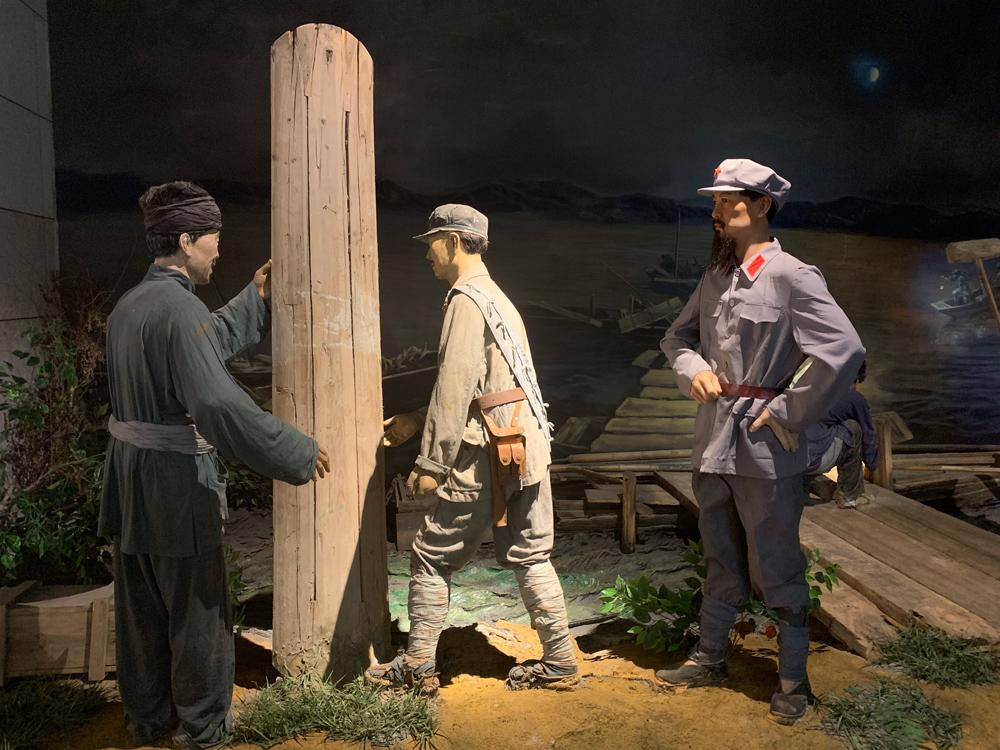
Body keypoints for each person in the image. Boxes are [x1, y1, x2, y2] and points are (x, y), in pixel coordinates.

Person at [99, 181, 330, 748]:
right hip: (175, 487)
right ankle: (203, 728)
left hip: (128, 481)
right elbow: (219, 403)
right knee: (197, 612)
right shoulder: (179, 309)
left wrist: (254, 296)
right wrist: (294, 450)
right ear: (186, 240)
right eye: (213, 240)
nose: (218, 251)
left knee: (141, 610)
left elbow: (197, 345)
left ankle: (148, 720)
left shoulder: (131, 306)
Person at [658, 159, 865, 724]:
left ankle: (793, 680)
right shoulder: (716, 276)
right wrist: (694, 369)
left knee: (776, 561)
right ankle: (709, 658)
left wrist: (789, 410)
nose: (717, 209)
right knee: (720, 555)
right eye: (715, 200)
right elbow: (676, 338)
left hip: (764, 446)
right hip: (712, 440)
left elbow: (844, 351)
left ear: (762, 205)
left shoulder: (793, 276)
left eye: (728, 199)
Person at [368, 204, 578, 692]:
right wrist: (416, 418)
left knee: (430, 556)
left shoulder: (465, 299)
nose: (428, 254)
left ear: (454, 241)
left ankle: (417, 665)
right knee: (532, 555)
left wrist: (432, 461)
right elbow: (490, 386)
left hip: (488, 450)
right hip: (526, 444)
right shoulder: (498, 298)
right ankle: (562, 662)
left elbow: (456, 384)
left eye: (432, 243)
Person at [804, 360, 878, 508]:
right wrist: (872, 465)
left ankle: (803, 484)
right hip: (812, 461)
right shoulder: (853, 398)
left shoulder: (809, 389)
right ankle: (851, 495)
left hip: (789, 461)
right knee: (853, 428)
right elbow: (869, 436)